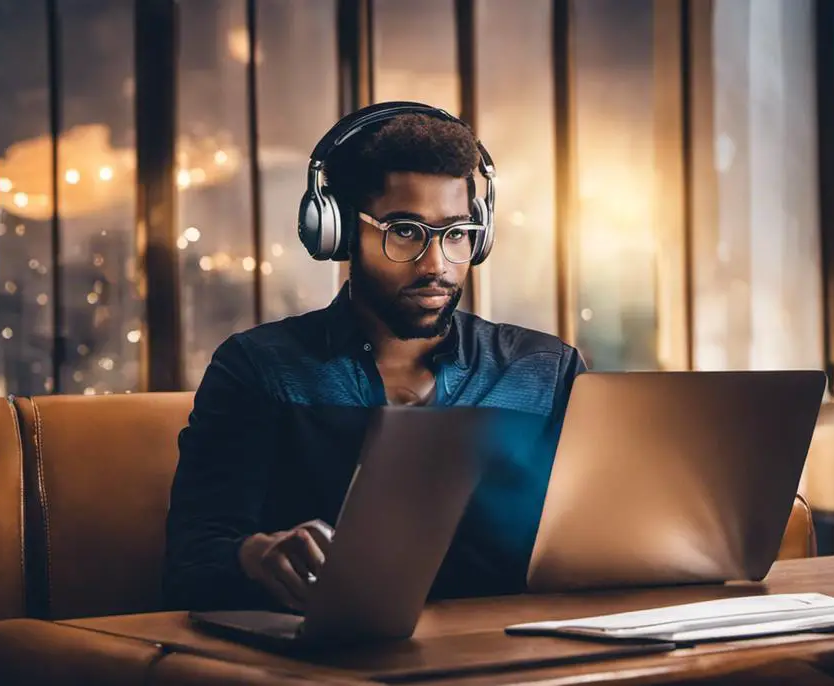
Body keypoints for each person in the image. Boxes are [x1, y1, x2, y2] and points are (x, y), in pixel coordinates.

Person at [163, 102, 586, 613]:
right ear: (337, 232)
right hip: (337, 660)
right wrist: (253, 555)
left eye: (456, 234)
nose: (437, 265)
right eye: (405, 231)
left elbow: (597, 535)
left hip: (520, 652)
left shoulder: (544, 370)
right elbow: (191, 562)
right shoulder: (259, 369)